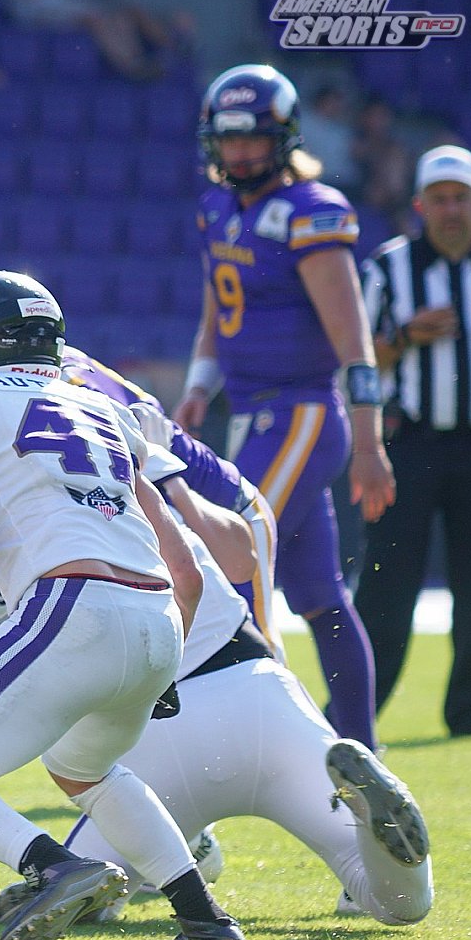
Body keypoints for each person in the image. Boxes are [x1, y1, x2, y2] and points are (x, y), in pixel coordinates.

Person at [0, 270, 244, 940]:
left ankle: (55, 866)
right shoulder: (101, 407)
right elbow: (187, 568)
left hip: (72, 605)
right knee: (85, 767)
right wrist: (165, 667)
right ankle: (207, 920)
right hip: (159, 617)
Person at [0, 539, 432, 929]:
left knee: (91, 887)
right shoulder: (137, 473)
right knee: (393, 902)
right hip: (256, 690)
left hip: (153, 740)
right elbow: (236, 549)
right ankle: (369, 827)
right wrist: (184, 484)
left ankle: (181, 849)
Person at [0, 285, 284, 659]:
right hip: (140, 529)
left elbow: (89, 511)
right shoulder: (8, 386)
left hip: (216, 507)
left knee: (251, 657)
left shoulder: (53, 390)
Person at [173, 64, 394, 753]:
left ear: (284, 138)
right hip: (255, 415)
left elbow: (354, 343)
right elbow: (217, 312)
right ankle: (361, 747)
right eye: (230, 140)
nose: (240, 154)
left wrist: (369, 443)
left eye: (253, 139)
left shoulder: (310, 210)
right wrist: (199, 387)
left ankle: (266, 745)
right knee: (320, 594)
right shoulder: (217, 208)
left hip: (302, 413)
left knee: (229, 565)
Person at [356, 145, 471, 737]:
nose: (451, 210)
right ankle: (357, 715)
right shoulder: (388, 268)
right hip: (412, 445)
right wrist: (405, 336)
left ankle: (469, 715)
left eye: (461, 198)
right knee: (388, 583)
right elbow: (355, 358)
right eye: (440, 199)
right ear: (420, 206)